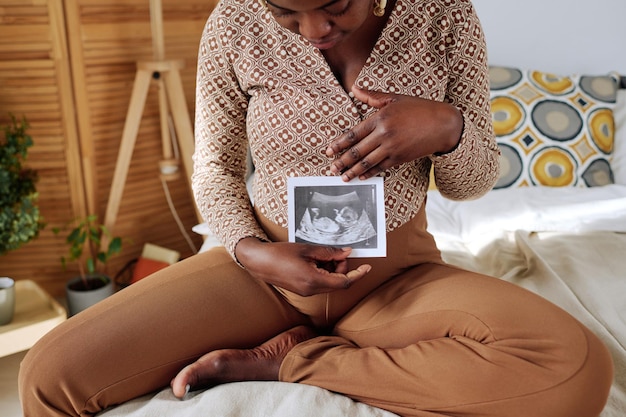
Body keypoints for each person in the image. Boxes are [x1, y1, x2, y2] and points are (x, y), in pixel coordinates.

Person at [19, 0, 613, 416]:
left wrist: (446, 126)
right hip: (262, 274)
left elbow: (470, 185)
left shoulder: (444, 14)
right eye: (286, 12)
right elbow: (216, 170)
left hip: (396, 278)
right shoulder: (233, 25)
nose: (312, 29)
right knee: (47, 378)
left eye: (335, 5)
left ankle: (290, 361)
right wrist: (255, 253)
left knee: (577, 370)